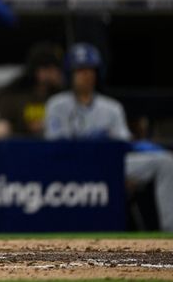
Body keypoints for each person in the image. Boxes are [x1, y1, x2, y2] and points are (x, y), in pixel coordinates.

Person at [45, 43, 173, 231]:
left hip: (109, 164)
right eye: (80, 70)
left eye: (91, 70)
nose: (87, 75)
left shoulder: (111, 107)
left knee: (165, 162)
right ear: (69, 74)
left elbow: (124, 143)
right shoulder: (56, 105)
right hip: (73, 166)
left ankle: (170, 231)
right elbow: (54, 146)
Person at [0, 42, 64, 139]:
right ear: (38, 70)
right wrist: (26, 126)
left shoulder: (62, 96)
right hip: (18, 146)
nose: (56, 73)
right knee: (1, 128)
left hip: (53, 147)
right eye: (50, 68)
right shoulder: (14, 93)